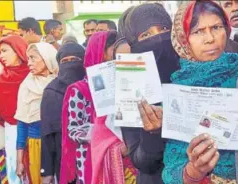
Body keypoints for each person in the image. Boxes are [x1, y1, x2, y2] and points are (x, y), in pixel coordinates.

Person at [162, 1, 238, 183]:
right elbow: (170, 172)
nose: (210, 38)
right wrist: (193, 171)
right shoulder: (179, 91)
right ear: (183, 38)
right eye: (198, 31)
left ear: (226, 30)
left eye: (216, 27)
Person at [121, 3, 180, 183]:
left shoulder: (193, 70)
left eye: (163, 29)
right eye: (145, 35)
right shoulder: (130, 82)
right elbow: (141, 161)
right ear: (133, 43)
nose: (158, 38)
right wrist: (152, 134)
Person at [59, 31, 117, 184]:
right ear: (100, 53)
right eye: (114, 48)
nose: (120, 52)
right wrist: (102, 135)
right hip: (91, 158)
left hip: (123, 156)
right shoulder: (79, 89)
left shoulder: (124, 84)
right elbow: (73, 129)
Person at [0, 35, 29, 184]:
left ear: (18, 50)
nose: (1, 56)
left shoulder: (33, 75)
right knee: (16, 172)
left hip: (35, 131)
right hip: (12, 132)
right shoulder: (1, 79)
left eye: (4, 51)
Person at [41, 42, 85, 184]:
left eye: (75, 60)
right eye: (65, 61)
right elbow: (47, 134)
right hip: (64, 158)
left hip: (92, 154)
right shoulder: (51, 91)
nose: (70, 64)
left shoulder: (94, 85)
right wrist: (47, 171)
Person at [14, 42, 58, 184]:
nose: (29, 63)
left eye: (33, 58)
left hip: (59, 144)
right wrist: (19, 161)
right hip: (36, 145)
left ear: (47, 58)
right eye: (28, 59)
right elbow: (22, 125)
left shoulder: (60, 82)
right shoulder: (26, 86)